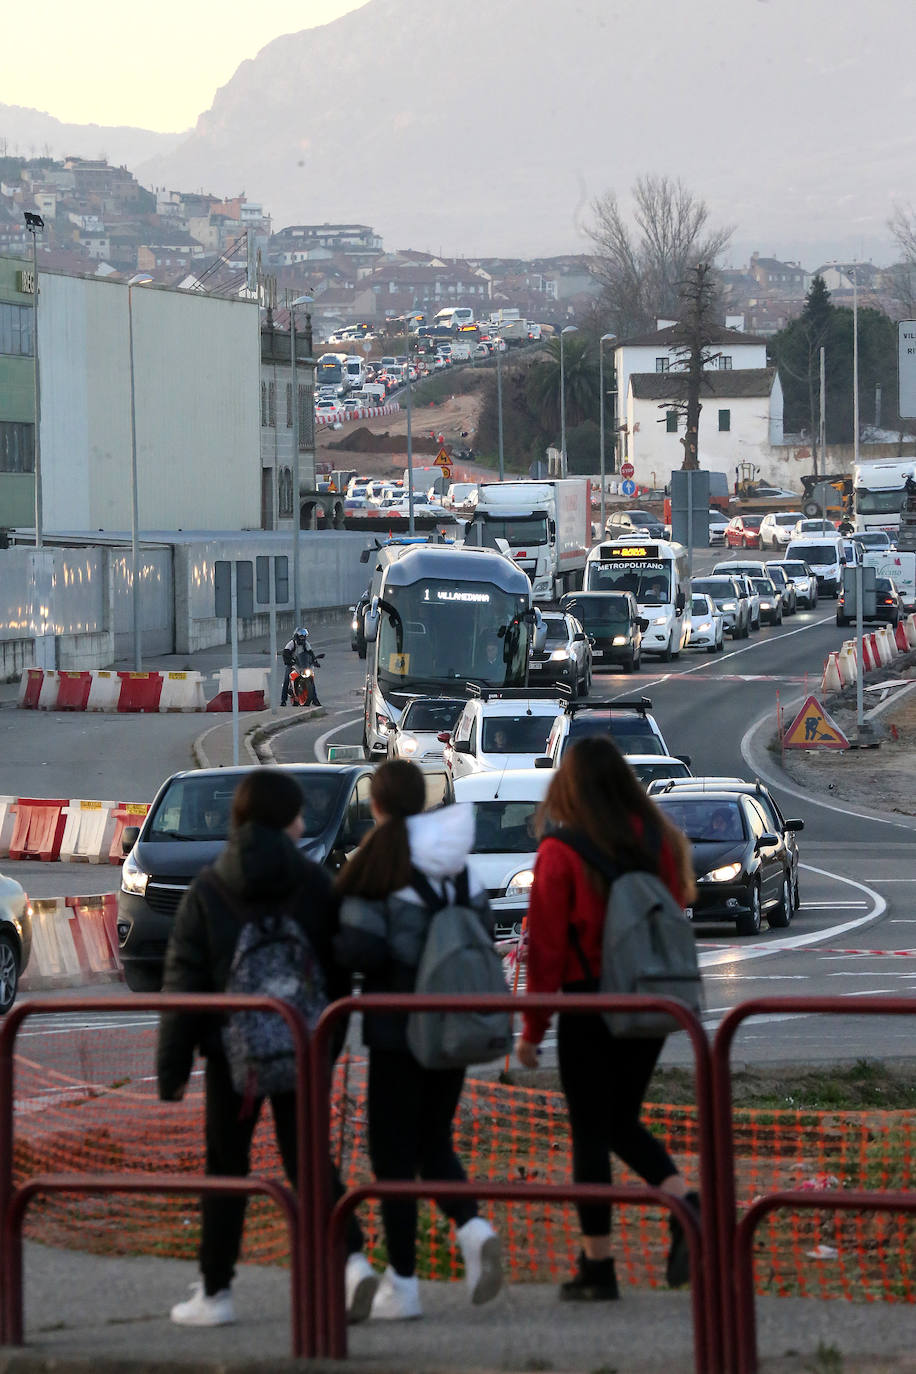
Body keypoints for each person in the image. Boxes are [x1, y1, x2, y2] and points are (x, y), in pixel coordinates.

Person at [157, 770, 377, 1327]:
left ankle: (216, 1293)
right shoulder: (313, 883)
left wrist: (173, 1067)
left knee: (226, 1165)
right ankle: (351, 1262)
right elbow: (336, 971)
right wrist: (324, 1050)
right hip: (303, 1046)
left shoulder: (210, 886)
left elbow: (185, 980)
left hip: (234, 1053)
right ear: (287, 820)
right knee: (307, 1159)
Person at [514, 737, 699, 1301]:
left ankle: (599, 1266)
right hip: (650, 998)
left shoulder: (560, 851)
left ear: (567, 786)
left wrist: (532, 1033)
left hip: (588, 1003)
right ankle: (686, 1209)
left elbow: (546, 948)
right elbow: (679, 901)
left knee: (591, 1134)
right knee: (620, 1121)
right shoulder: (661, 841)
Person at [334, 760, 503, 1320]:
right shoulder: (456, 865)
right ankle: (473, 1228)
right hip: (453, 1021)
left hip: (396, 1027)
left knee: (390, 1155)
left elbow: (358, 948)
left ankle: (402, 1286)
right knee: (432, 1138)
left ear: (377, 805)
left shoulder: (378, 862)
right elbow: (483, 931)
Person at [280, 627, 320, 707]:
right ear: (296, 636)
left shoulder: (306, 644)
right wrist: (289, 661)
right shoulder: (291, 644)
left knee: (311, 679)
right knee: (286, 679)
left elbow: (310, 653)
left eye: (304, 637)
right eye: (301, 637)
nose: (303, 638)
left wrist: (314, 661)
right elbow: (285, 654)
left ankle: (315, 700)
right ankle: (283, 701)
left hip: (302, 664)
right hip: (292, 664)